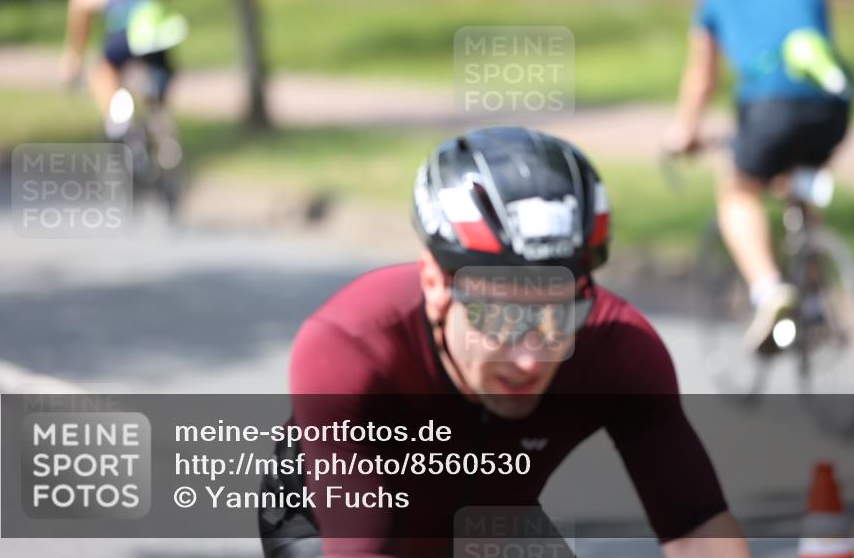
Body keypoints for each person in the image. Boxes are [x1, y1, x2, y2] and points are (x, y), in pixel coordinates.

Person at [261, 127, 751, 558]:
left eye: (559, 315)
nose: (529, 357)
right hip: (331, 523)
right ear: (435, 284)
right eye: (498, 317)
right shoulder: (352, 349)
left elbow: (697, 531)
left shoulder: (618, 350)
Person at [665, 0, 852, 352]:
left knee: (738, 190)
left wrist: (685, 130)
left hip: (768, 108)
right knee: (796, 183)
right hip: (833, 106)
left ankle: (771, 292)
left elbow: (702, 76)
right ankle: (816, 302)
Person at [61, 0, 186, 153]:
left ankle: (118, 121)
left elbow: (80, 24)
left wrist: (74, 61)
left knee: (103, 71)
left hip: (123, 34)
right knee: (159, 76)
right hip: (156, 33)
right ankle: (159, 121)